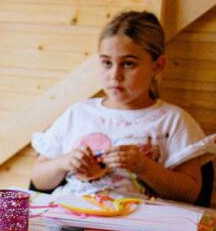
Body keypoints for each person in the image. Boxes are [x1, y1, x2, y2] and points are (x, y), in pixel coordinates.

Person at [31, 11, 212, 202]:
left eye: (128, 64)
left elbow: (190, 194)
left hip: (137, 226)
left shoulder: (173, 121)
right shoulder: (78, 113)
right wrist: (63, 162)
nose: (115, 75)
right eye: (107, 63)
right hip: (72, 216)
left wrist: (144, 167)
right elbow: (39, 180)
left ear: (157, 66)